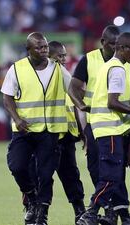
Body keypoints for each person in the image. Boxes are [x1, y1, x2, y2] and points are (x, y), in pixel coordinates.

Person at [68, 25, 130, 224]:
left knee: (114, 175)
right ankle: (92, 213)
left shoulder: (109, 66)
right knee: (110, 176)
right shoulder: (117, 69)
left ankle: (123, 216)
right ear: (120, 48)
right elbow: (112, 102)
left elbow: (116, 98)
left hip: (105, 128)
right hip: (110, 129)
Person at [1, 32, 71, 224]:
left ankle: (42, 215)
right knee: (17, 166)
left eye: (45, 47)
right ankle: (31, 197)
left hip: (49, 131)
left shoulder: (57, 68)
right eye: (39, 47)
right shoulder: (17, 69)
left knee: (46, 174)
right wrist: (17, 118)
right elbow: (7, 98)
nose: (44, 50)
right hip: (24, 130)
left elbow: (74, 89)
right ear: (28, 50)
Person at [48, 41, 86, 223]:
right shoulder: (45, 75)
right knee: (41, 177)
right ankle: (35, 210)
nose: (63, 59)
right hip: (45, 135)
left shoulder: (66, 73)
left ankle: (80, 211)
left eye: (64, 55)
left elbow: (73, 104)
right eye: (59, 56)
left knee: (71, 175)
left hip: (65, 135)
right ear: (49, 57)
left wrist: (81, 131)